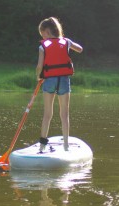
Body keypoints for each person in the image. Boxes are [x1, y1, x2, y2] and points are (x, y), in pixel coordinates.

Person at [36, 17, 83, 152]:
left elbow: (39, 66)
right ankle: (66, 146)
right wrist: (69, 44)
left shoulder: (43, 46)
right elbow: (80, 49)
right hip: (63, 80)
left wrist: (38, 77)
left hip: (49, 80)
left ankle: (42, 145)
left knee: (47, 114)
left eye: (42, 33)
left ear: (47, 31)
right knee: (64, 114)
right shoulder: (66, 42)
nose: (42, 37)